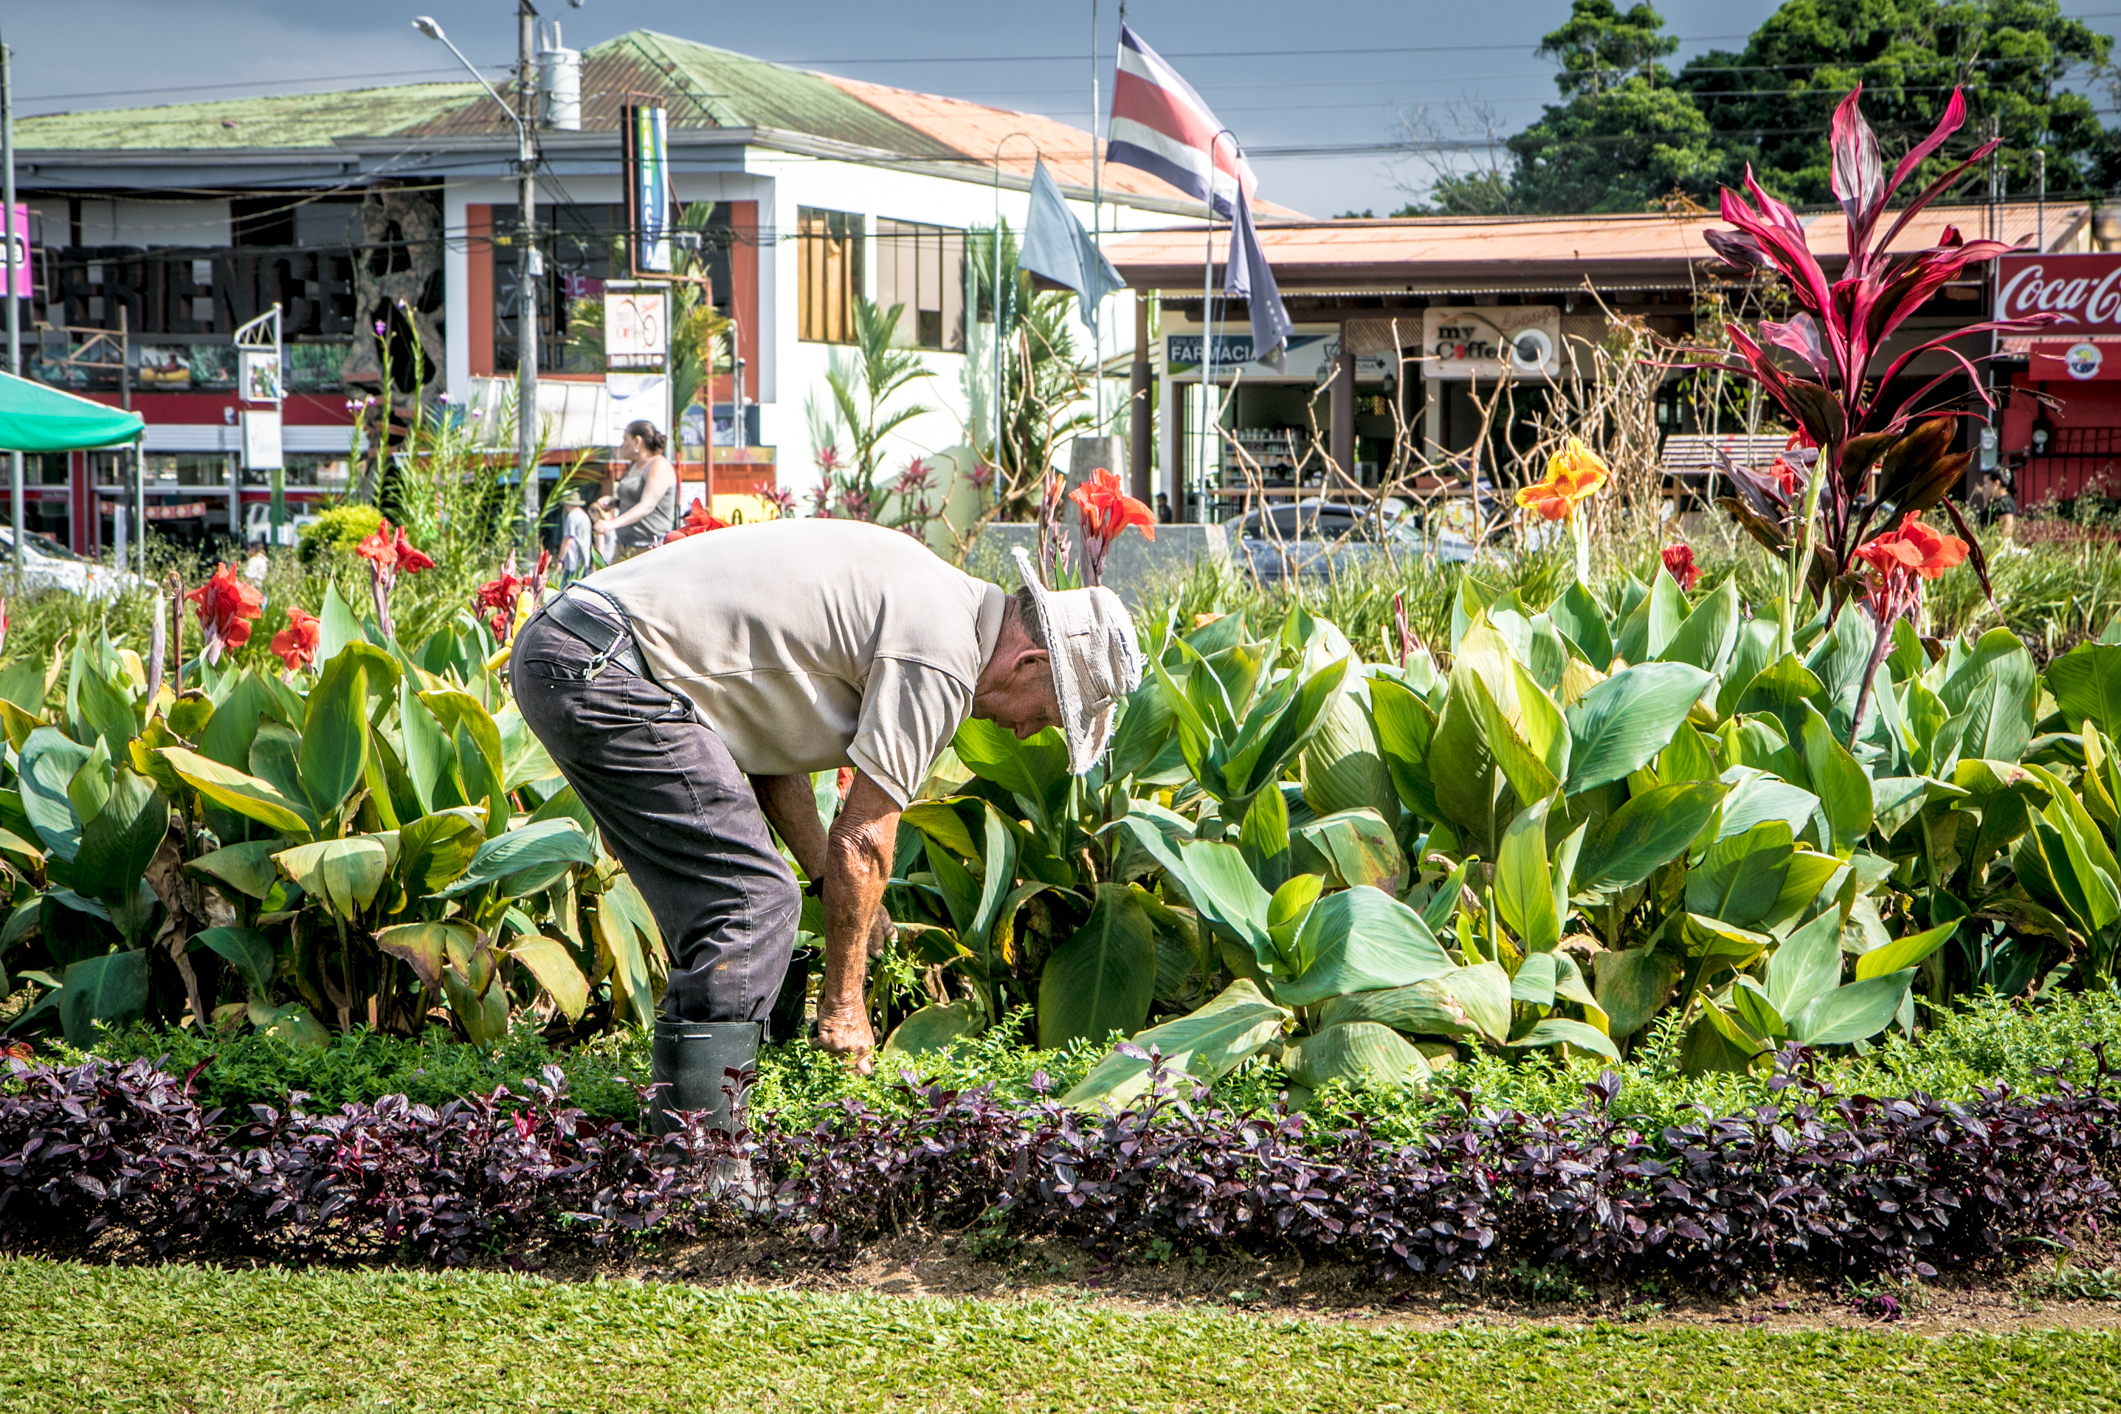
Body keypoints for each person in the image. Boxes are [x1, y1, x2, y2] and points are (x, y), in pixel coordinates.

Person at [510, 521, 1141, 1133]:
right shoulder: (942, 655)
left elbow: (768, 764)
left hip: (577, 646)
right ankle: (700, 1168)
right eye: (1050, 713)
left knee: (741, 902)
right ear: (1030, 662)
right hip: (602, 668)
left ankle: (707, 1126)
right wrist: (844, 1004)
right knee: (750, 902)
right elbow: (864, 842)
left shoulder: (931, 589)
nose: (1030, 730)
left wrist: (825, 882)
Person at [595, 420, 679, 557]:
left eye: (625, 439)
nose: (622, 445)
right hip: (623, 544)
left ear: (637, 441)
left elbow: (647, 506)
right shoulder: (635, 465)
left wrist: (611, 524)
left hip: (649, 548)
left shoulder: (658, 465)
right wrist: (616, 502)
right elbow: (637, 498)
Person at [555, 489, 594, 582]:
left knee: (566, 590)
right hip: (584, 558)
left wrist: (560, 560)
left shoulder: (571, 516)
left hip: (573, 561)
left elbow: (567, 540)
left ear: (567, 504)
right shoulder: (585, 516)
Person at [1973, 470, 2019, 540]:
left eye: (1986, 483)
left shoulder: (2005, 504)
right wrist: (1986, 500)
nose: (1984, 486)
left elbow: (2006, 533)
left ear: (1996, 483)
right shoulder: (1995, 501)